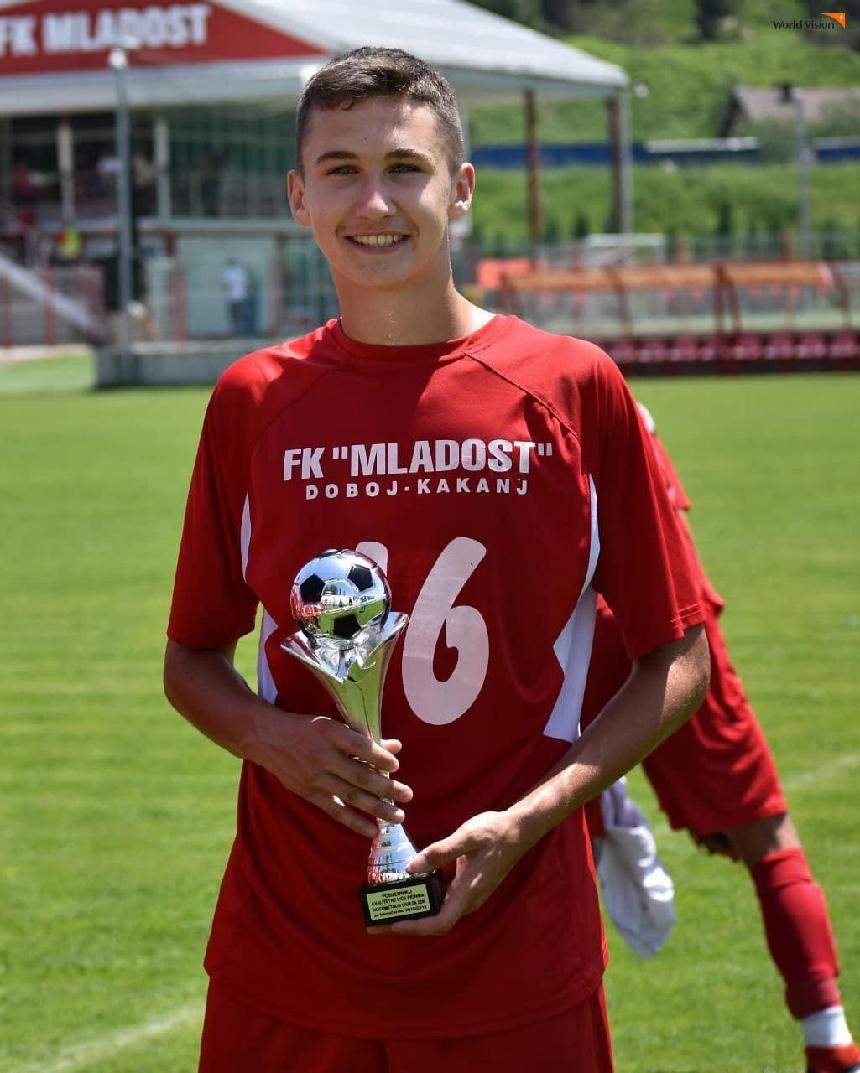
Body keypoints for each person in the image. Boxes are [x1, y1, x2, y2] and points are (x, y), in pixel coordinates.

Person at [164, 47, 710, 1073]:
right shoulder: (252, 402)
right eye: (339, 169)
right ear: (297, 196)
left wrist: (534, 815)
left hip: (513, 952)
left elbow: (677, 656)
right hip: (291, 949)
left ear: (458, 188)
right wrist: (272, 736)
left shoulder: (570, 387)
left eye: (404, 166)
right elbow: (191, 655)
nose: (374, 200)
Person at [581, 403, 860, 1073]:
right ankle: (831, 1041)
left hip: (576, 633)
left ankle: (563, 1042)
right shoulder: (606, 395)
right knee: (769, 839)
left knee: (552, 848)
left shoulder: (520, 392)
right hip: (677, 628)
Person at [221, 257, 248, 336]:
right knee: (238, 316)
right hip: (239, 297)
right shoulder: (240, 271)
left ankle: (237, 331)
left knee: (235, 316)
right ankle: (238, 331)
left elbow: (224, 285)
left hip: (233, 297)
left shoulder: (228, 272)